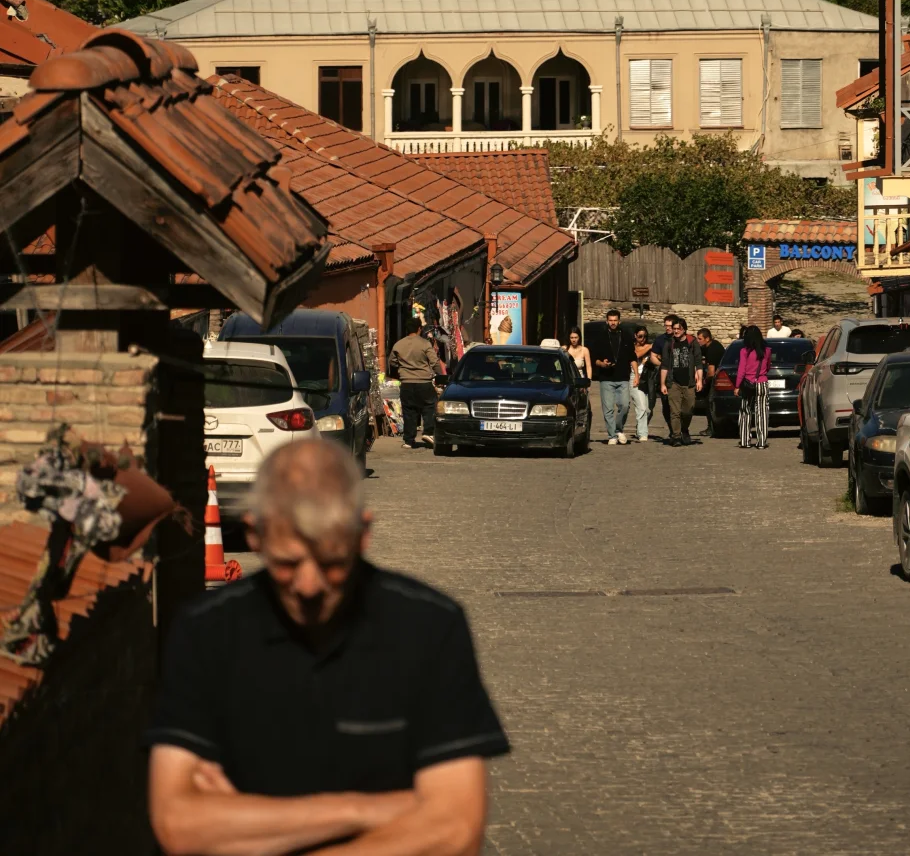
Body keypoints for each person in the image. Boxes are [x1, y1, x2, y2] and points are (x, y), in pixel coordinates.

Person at [147, 440, 509, 856]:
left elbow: (455, 830)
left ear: (363, 534)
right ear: (254, 534)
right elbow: (178, 825)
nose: (308, 586)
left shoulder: (429, 627)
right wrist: (367, 809)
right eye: (287, 563)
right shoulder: (206, 631)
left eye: (333, 563)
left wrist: (243, 823)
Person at [388, 314, 442, 449]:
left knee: (409, 411)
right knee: (429, 406)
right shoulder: (424, 343)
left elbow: (392, 362)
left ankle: (408, 440)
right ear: (419, 329)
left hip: (406, 383)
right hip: (424, 382)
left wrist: (403, 370)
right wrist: (440, 375)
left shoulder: (398, 344)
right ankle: (428, 432)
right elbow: (434, 362)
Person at [590, 307, 632, 444]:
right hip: (606, 378)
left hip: (623, 376)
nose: (613, 323)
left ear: (619, 321)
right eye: (610, 320)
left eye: (615, 320)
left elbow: (632, 356)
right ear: (607, 322)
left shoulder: (626, 335)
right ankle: (612, 436)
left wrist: (636, 374)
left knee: (625, 405)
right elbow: (594, 358)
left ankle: (618, 429)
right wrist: (602, 364)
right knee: (608, 408)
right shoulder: (600, 337)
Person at [659, 318, 703, 447]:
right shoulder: (669, 343)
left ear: (684, 329)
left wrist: (699, 380)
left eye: (679, 329)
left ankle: (684, 429)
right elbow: (665, 365)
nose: (676, 331)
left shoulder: (692, 342)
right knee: (675, 411)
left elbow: (699, 363)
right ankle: (676, 436)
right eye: (674, 329)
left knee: (688, 409)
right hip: (674, 382)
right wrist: (663, 383)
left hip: (689, 382)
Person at [736, 325, 772, 449]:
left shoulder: (744, 351)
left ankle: (745, 440)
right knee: (762, 412)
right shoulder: (767, 350)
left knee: (745, 411)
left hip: (747, 383)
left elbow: (741, 370)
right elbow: (768, 367)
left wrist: (737, 386)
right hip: (762, 383)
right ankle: (761, 441)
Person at [696, 327, 725, 437]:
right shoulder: (711, 346)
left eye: (700, 339)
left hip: (715, 380)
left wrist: (704, 382)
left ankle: (711, 428)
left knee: (709, 403)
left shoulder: (713, 349)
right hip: (717, 379)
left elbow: (711, 372)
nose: (698, 341)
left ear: (707, 339)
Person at [629, 326, 656, 443]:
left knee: (649, 409)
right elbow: (636, 355)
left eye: (645, 336)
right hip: (634, 377)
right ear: (635, 336)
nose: (643, 339)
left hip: (648, 379)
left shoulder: (650, 348)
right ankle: (643, 434)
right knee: (642, 407)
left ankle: (640, 428)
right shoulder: (631, 347)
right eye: (640, 336)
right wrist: (649, 347)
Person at [651, 315, 676, 433]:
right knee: (666, 406)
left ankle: (679, 429)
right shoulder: (660, 339)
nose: (667, 328)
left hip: (679, 377)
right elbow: (653, 356)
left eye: (670, 326)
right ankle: (673, 430)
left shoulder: (682, 339)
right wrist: (663, 365)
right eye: (665, 326)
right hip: (665, 376)